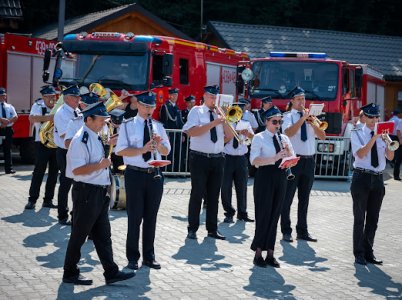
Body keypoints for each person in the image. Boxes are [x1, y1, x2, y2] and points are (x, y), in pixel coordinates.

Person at [63, 102, 135, 285]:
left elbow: (97, 152)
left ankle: (111, 272)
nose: (104, 123)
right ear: (89, 119)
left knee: (104, 235)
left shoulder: (94, 135)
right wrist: (100, 165)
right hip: (87, 193)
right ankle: (70, 272)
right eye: (101, 120)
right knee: (79, 235)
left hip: (99, 193)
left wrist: (109, 143)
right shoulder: (80, 140)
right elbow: (77, 170)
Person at [115, 91, 171, 270]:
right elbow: (121, 151)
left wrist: (159, 143)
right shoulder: (127, 125)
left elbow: (166, 151)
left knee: (151, 218)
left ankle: (149, 256)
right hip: (135, 174)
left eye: (151, 107)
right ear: (138, 105)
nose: (149, 110)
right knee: (134, 217)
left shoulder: (158, 126)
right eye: (146, 106)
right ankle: (132, 257)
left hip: (154, 174)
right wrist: (142, 149)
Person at [183, 85, 234, 241]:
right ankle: (192, 228)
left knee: (214, 195)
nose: (213, 100)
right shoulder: (196, 111)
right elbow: (191, 132)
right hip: (199, 158)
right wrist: (214, 122)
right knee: (197, 193)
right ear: (205, 96)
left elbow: (230, 136)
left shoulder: (220, 114)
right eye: (211, 97)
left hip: (217, 158)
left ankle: (212, 229)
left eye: (215, 97)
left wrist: (224, 120)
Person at [250, 106, 295, 268]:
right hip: (265, 176)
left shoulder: (283, 138)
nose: (278, 124)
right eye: (274, 122)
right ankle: (258, 253)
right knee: (264, 215)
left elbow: (292, 158)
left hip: (281, 176)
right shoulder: (259, 138)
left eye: (280, 122)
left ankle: (270, 253)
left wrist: (289, 152)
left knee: (275, 214)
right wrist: (274, 157)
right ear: (267, 122)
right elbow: (254, 161)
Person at [350, 103, 395, 265]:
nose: (374, 120)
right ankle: (359, 253)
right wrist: (374, 137)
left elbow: (390, 157)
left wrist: (390, 144)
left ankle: (369, 252)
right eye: (371, 117)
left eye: (376, 117)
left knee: (373, 219)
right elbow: (360, 154)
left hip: (377, 179)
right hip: (361, 178)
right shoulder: (357, 133)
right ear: (364, 117)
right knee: (360, 218)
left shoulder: (383, 134)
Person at [280, 87, 326, 243]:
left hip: (309, 160)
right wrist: (302, 119)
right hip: (294, 160)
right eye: (298, 99)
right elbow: (288, 133)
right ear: (292, 101)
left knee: (304, 198)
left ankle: (302, 231)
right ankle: (286, 231)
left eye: (303, 99)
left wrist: (312, 123)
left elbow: (323, 136)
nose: (302, 102)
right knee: (288, 197)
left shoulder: (311, 118)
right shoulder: (288, 116)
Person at [25, 85, 59, 210]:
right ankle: (32, 200)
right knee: (39, 172)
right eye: (49, 96)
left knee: (54, 174)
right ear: (43, 97)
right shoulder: (38, 105)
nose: (52, 99)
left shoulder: (58, 106)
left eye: (53, 96)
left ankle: (48, 200)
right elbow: (32, 118)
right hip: (42, 143)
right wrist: (49, 118)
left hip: (55, 144)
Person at [221, 100, 254, 224]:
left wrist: (248, 134)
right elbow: (221, 140)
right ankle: (229, 213)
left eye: (240, 111)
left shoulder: (246, 123)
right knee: (226, 187)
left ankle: (242, 213)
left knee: (242, 187)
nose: (237, 114)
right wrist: (232, 133)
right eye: (235, 111)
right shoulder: (226, 123)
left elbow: (253, 139)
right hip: (227, 157)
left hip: (241, 158)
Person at [53, 85, 82, 225]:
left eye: (78, 96)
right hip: (65, 152)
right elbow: (66, 136)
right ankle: (62, 215)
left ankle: (75, 214)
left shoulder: (77, 111)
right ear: (67, 98)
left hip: (76, 150)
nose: (79, 99)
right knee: (65, 183)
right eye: (76, 97)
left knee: (77, 183)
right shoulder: (62, 113)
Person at [160, 87, 184, 172]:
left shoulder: (176, 107)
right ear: (169, 96)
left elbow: (180, 122)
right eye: (173, 95)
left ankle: (176, 170)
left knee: (178, 152)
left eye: (176, 95)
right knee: (169, 153)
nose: (175, 96)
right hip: (169, 134)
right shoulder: (165, 106)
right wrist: (165, 134)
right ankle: (168, 170)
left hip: (177, 134)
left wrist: (182, 134)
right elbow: (163, 121)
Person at [0, 87, 18, 174]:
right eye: (1, 95)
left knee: (7, 149)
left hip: (7, 129)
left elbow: (15, 117)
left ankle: (9, 169)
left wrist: (7, 122)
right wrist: (1, 120)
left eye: (4, 95)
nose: (3, 97)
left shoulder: (9, 106)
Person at [394, 116, 402, 180]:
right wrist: (400, 139)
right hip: (401, 141)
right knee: (398, 160)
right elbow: (398, 130)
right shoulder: (400, 121)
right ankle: (396, 176)